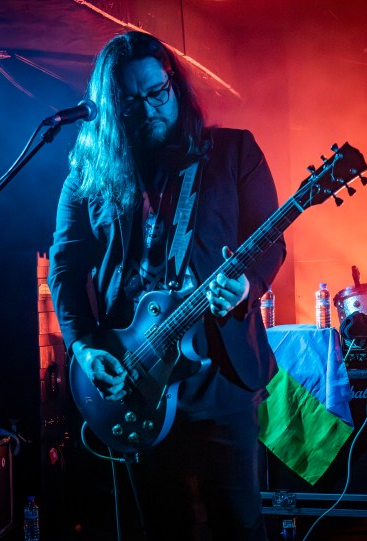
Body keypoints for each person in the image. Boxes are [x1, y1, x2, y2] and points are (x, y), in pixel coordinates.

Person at [48, 30, 286, 541]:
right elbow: (64, 269)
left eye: (157, 92)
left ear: (173, 83)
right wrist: (85, 347)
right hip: (134, 376)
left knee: (240, 527)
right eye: (131, 101)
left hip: (220, 373)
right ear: (111, 106)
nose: (149, 108)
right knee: (160, 528)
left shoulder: (232, 152)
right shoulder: (89, 173)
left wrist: (246, 286)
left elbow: (270, 242)